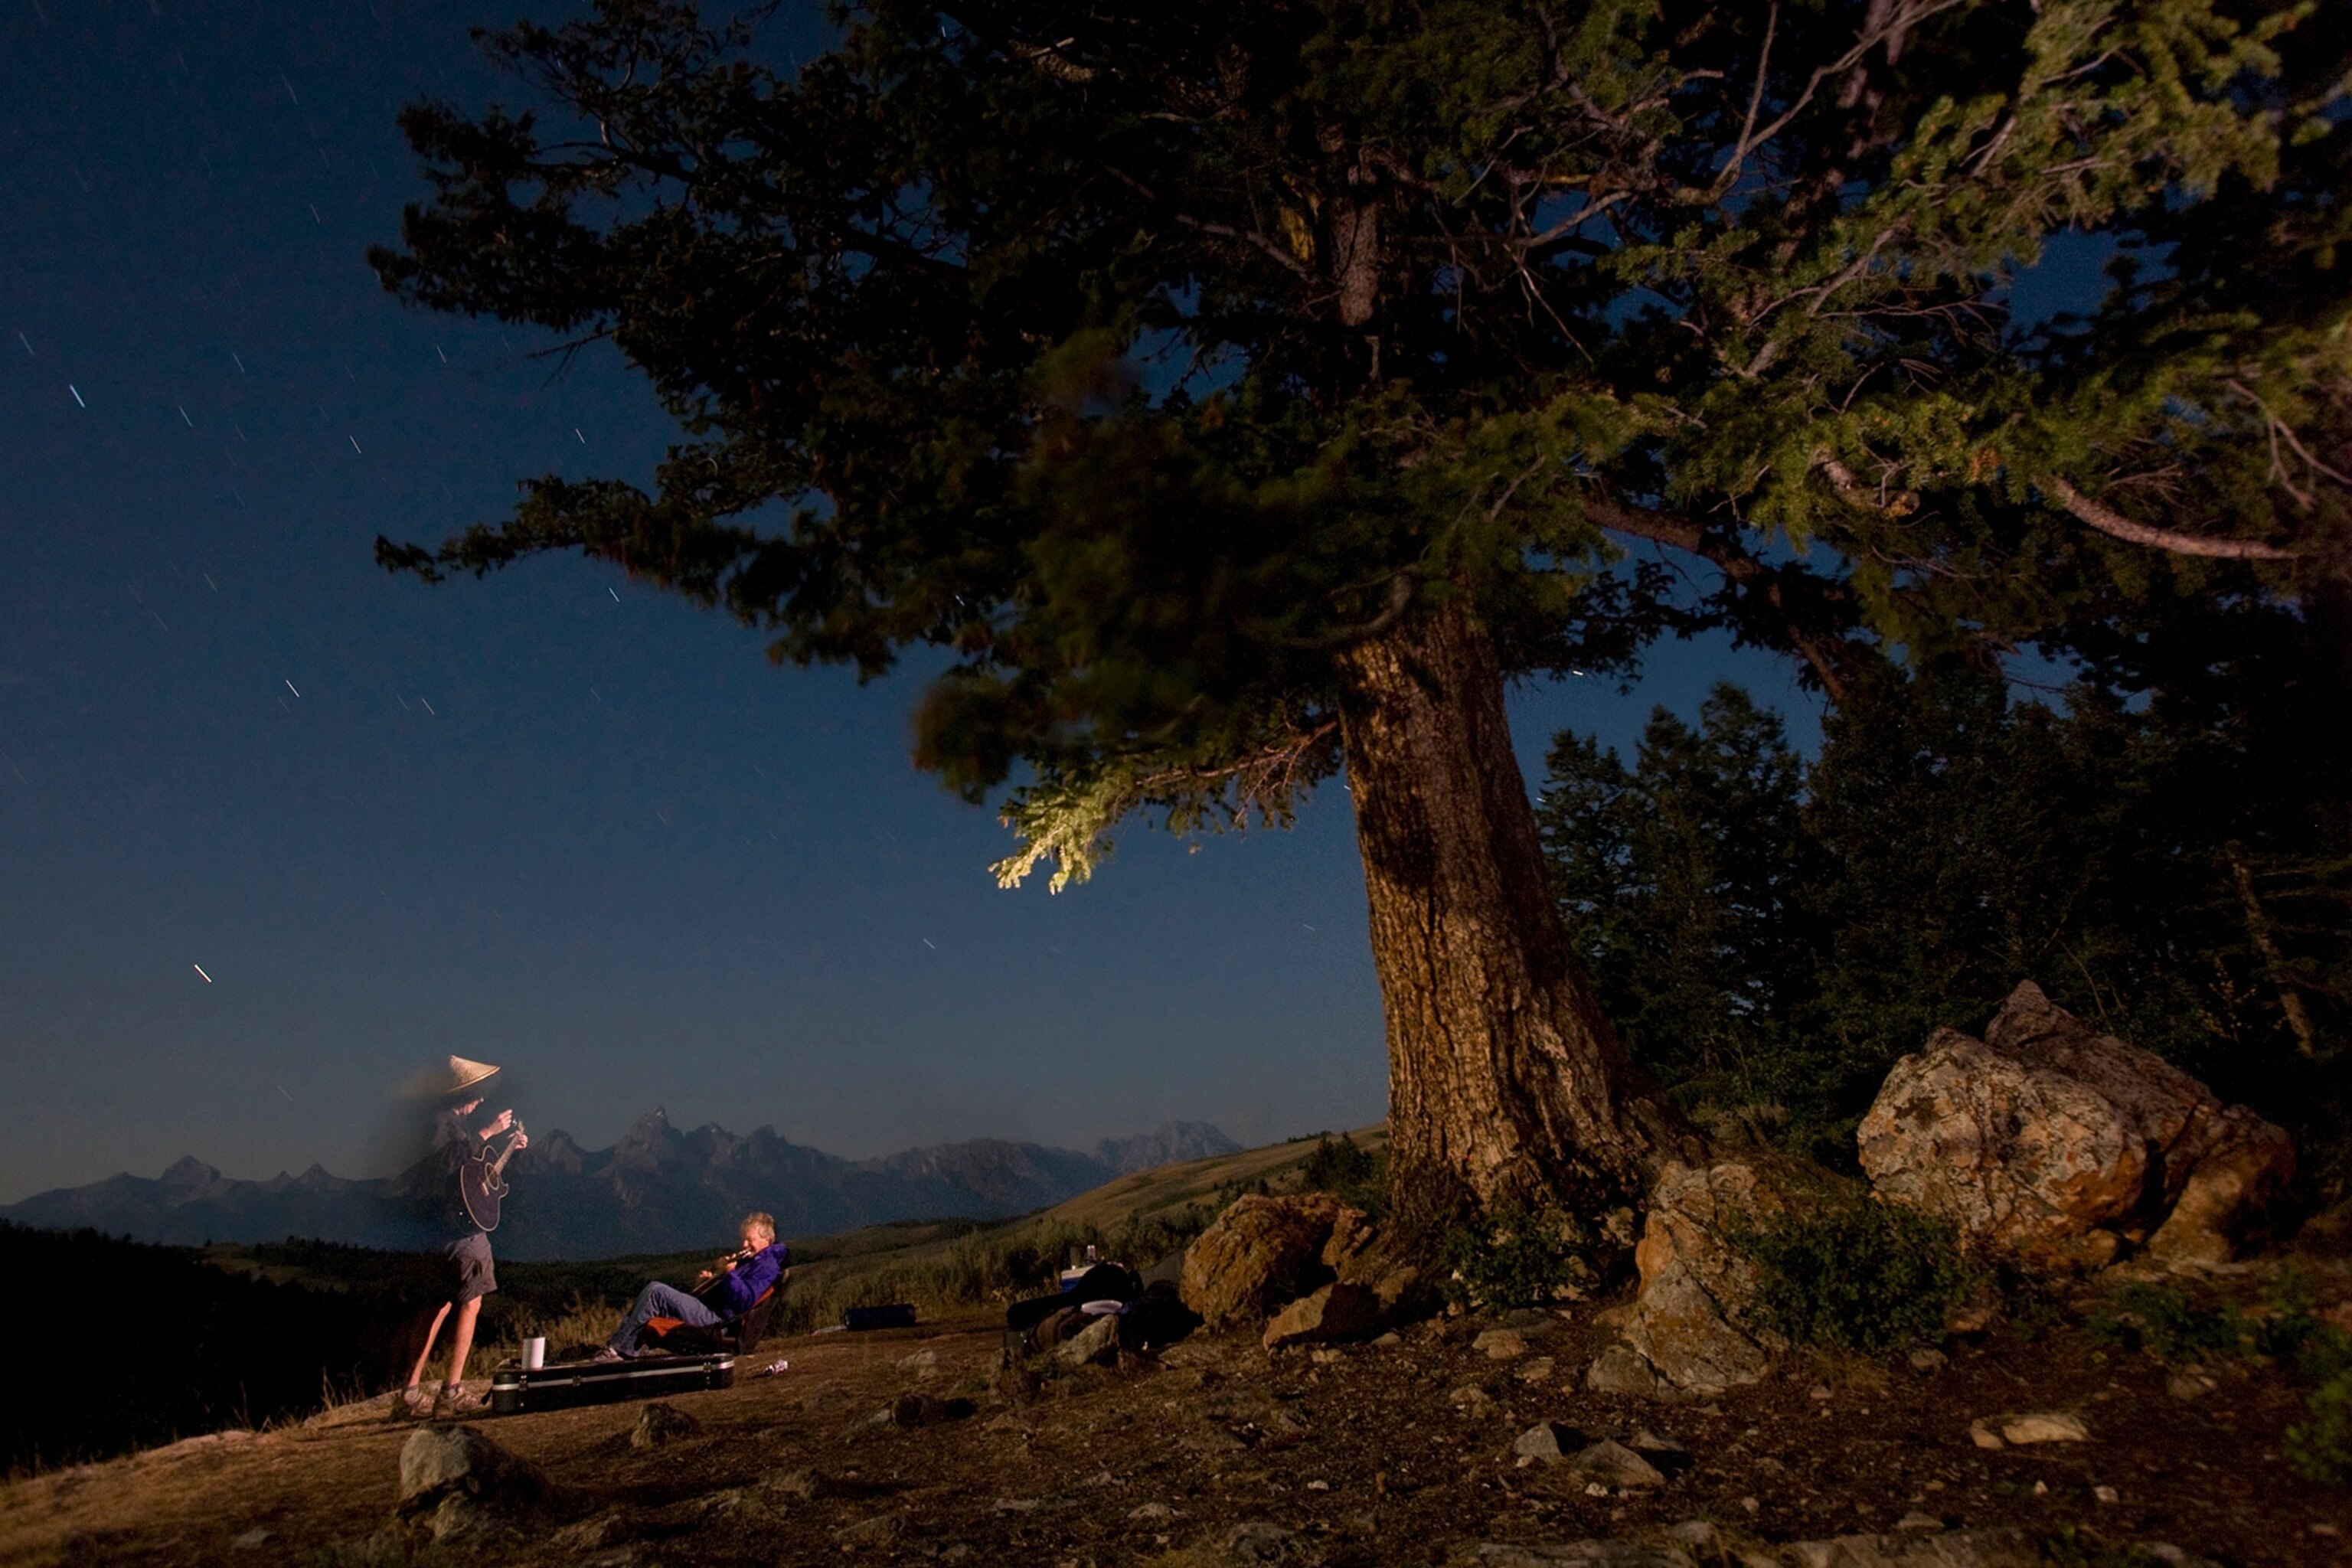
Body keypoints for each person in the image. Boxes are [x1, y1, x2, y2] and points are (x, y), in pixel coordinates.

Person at [390, 1054, 526, 1419]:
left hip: (436, 1231)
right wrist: (489, 1133)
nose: (480, 1100)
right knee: (471, 1301)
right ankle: (451, 1391)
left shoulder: (443, 1124)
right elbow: (449, 1164)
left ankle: (410, 1393)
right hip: (458, 1231)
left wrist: (506, 1147)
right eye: (476, 1093)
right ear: (459, 1093)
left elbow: (469, 1174)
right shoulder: (441, 1126)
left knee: (438, 1306)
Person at [597, 1212, 789, 1360]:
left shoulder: (767, 1266)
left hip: (718, 1320)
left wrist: (729, 1274)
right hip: (713, 1310)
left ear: (766, 1240)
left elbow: (744, 1301)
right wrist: (711, 1281)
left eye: (750, 1240)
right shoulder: (754, 1261)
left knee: (656, 1292)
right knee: (657, 1300)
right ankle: (625, 1346)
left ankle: (620, 1350)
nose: (744, 1244)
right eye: (744, 1239)